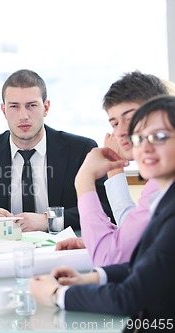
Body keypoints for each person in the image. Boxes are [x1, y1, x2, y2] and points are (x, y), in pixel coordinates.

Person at [29, 95, 175, 327]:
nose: (145, 147)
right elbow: (149, 265)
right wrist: (90, 278)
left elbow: (128, 296)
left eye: (159, 137)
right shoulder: (164, 198)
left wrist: (57, 294)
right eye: (140, 137)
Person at [0, 69, 111, 233]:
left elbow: (105, 208)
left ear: (46, 107)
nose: (23, 116)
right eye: (14, 106)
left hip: (63, 251)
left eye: (31, 106)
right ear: (3, 110)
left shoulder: (80, 150)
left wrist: (48, 220)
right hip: (5, 253)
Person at [56, 71, 168, 266]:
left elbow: (108, 257)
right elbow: (143, 238)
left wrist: (84, 181)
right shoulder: (157, 180)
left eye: (130, 118)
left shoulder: (164, 179)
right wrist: (103, 239)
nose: (121, 132)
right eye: (114, 123)